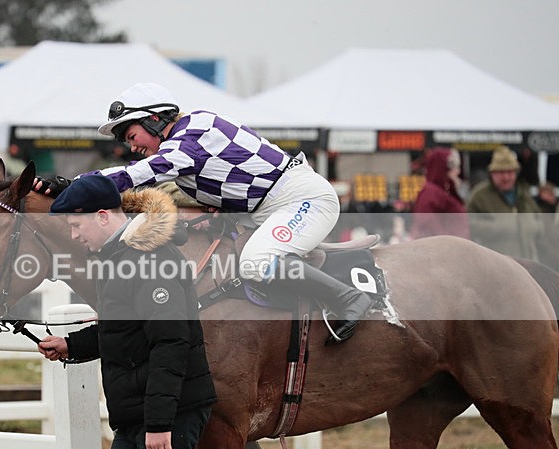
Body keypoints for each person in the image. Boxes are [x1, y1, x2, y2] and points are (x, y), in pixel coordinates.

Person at [43, 82, 372, 344]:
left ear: (154, 120)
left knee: (256, 263)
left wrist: (78, 184)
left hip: (304, 199)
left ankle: (348, 299)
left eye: (132, 136)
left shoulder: (194, 131)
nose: (132, 146)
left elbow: (143, 173)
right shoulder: (181, 143)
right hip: (264, 211)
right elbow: (144, 178)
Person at [37, 172, 217, 449]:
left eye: (76, 225)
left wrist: (160, 424)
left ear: (103, 216)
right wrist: (72, 345)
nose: (74, 235)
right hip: (136, 415)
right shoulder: (118, 257)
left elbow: (170, 342)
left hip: (168, 415)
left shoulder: (148, 259)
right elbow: (124, 329)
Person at [465, 146, 543, 261]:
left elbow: (539, 219)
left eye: (510, 172)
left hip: (528, 264)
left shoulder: (524, 193)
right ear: (491, 174)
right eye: (501, 172)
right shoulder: (479, 196)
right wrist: (498, 226)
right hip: (495, 265)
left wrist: (532, 226)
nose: (506, 177)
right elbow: (467, 224)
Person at [409, 147, 470, 240]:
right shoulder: (431, 193)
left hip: (454, 247)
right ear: (441, 168)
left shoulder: (444, 193)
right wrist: (447, 246)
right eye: (452, 167)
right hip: (444, 250)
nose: (457, 172)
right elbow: (427, 226)